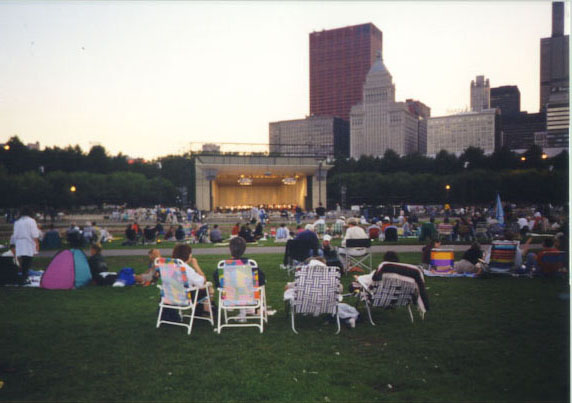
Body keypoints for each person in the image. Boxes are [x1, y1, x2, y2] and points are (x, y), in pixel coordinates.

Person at [170, 244, 211, 314]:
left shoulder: (169, 266)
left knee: (196, 286)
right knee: (208, 287)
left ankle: (201, 311)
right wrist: (196, 266)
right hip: (185, 297)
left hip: (170, 295)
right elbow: (203, 281)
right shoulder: (186, 268)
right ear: (188, 255)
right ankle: (204, 311)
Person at [11, 207, 40, 285]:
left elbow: (15, 234)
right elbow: (34, 233)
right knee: (27, 261)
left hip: (19, 243)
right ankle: (24, 277)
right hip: (28, 242)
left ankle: (24, 276)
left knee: (23, 261)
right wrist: (37, 243)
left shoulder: (17, 222)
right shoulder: (31, 221)